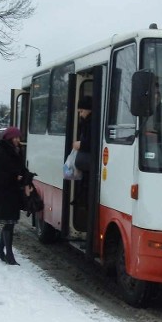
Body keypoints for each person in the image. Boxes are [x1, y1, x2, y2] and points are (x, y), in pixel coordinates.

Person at [0, 126, 30, 266]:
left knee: (10, 223)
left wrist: (26, 176)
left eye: (18, 137)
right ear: (8, 138)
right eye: (14, 138)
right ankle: (9, 255)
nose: (17, 140)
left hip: (13, 192)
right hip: (3, 193)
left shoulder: (17, 150)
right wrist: (14, 177)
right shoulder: (2, 151)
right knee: (9, 223)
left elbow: (21, 167)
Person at [71, 96, 93, 230]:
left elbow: (93, 142)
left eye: (81, 111)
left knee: (89, 202)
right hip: (85, 170)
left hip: (90, 171)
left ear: (88, 110)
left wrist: (81, 144)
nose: (80, 114)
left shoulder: (92, 123)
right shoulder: (86, 123)